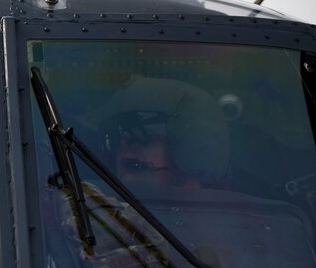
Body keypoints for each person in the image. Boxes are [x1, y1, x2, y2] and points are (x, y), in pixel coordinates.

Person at [95, 76, 230, 189]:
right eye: (116, 142)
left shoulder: (241, 217)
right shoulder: (95, 216)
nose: (122, 154)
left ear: (194, 152)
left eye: (136, 141)